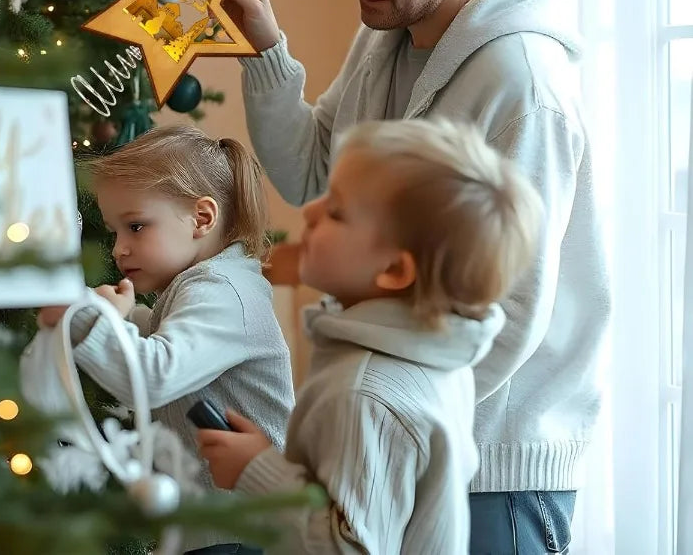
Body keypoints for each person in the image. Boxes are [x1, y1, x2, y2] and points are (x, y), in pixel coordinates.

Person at [213, 0, 610, 552]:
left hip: (494, 465)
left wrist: (392, 424)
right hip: (400, 449)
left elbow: (515, 304)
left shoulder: (522, 84)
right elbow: (312, 174)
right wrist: (267, 51)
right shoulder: (384, 34)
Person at [199, 119, 542, 553]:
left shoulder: (365, 393)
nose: (310, 212)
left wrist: (258, 472)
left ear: (395, 271)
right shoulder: (435, 363)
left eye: (337, 211)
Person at [39, 125, 294, 555]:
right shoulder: (205, 285)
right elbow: (167, 342)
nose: (119, 249)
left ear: (202, 218)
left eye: (136, 227)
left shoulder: (222, 289)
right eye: (115, 231)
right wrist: (124, 320)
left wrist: (82, 317)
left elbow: (157, 375)